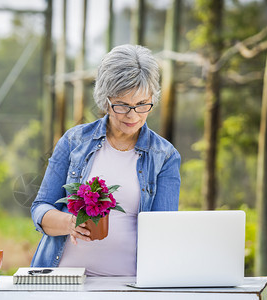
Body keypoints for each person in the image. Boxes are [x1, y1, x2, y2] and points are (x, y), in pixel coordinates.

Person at [30, 44, 181, 276]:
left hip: (127, 286)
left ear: (152, 99)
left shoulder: (165, 156)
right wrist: (70, 223)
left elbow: (163, 232)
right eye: (122, 105)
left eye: (142, 105)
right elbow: (40, 208)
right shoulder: (74, 141)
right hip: (63, 281)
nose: (132, 115)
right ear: (105, 100)